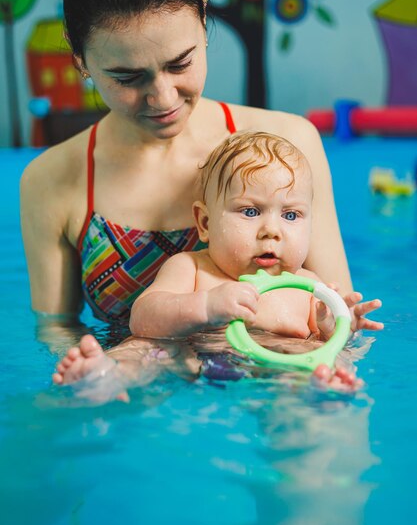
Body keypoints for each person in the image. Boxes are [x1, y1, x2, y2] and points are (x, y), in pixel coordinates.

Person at [21, 0, 352, 340]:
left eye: (181, 64)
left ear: (202, 15)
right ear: (80, 57)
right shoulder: (51, 181)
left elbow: (337, 318)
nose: (163, 98)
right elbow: (56, 335)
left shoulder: (289, 145)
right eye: (127, 78)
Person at [53, 132, 383, 398]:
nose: (272, 230)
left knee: (326, 358)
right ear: (206, 223)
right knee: (140, 349)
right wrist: (206, 306)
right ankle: (104, 376)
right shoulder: (192, 269)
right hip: (190, 359)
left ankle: (325, 388)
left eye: (291, 215)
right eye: (251, 212)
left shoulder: (307, 286)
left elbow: (329, 339)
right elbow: (142, 318)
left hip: (277, 371)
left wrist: (337, 325)